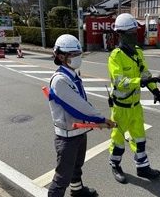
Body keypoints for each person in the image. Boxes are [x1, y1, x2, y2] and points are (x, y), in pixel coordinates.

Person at [47, 34, 115, 197]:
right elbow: (78, 107)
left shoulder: (73, 75)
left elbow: (81, 103)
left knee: (76, 166)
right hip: (67, 135)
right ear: (61, 56)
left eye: (79, 54)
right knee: (62, 176)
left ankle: (77, 191)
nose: (78, 58)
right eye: (74, 55)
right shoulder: (60, 80)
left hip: (78, 130)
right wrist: (101, 119)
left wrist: (94, 121)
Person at [107, 13, 160, 184]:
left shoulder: (138, 52)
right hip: (121, 108)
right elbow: (120, 82)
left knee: (139, 138)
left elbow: (145, 73)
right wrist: (142, 81)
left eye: (135, 31)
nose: (135, 35)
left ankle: (142, 167)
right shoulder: (115, 56)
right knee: (118, 141)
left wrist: (155, 91)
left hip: (135, 107)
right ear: (122, 34)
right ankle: (115, 165)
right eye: (131, 32)